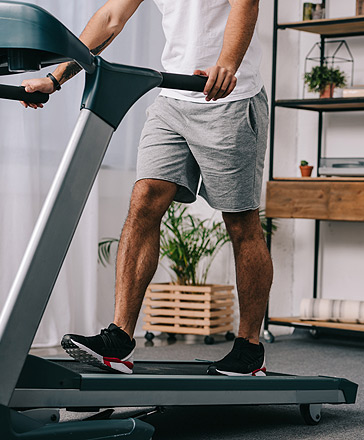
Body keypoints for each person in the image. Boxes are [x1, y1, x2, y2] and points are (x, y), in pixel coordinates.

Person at [22, 0, 271, 377]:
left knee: (241, 223)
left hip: (229, 100)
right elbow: (111, 18)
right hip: (173, 98)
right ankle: (119, 339)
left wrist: (228, 63)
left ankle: (249, 347)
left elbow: (246, 3)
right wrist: (55, 79)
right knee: (143, 202)